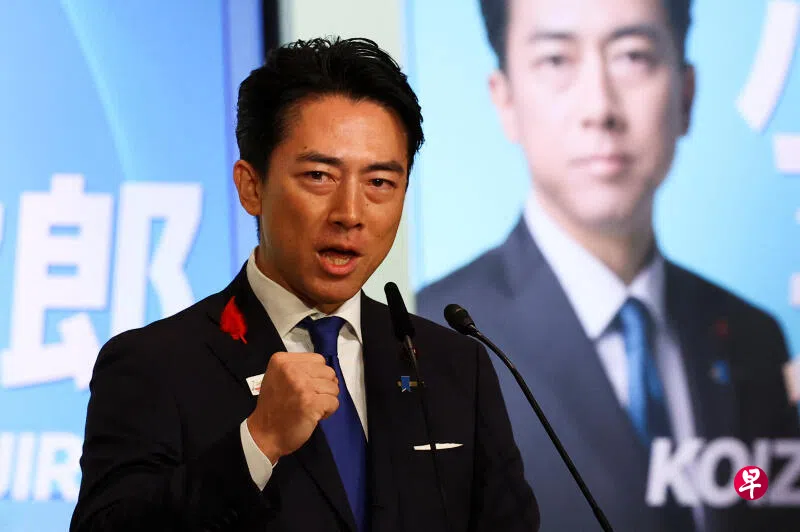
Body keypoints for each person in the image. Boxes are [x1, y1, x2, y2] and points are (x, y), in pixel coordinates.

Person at [70, 37, 539, 532]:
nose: (350, 213)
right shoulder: (154, 365)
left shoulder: (455, 367)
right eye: (319, 175)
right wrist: (259, 441)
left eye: (380, 182)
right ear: (252, 187)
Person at [417, 1, 800, 530]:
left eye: (633, 56)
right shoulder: (433, 336)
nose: (599, 108)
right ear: (504, 99)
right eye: (556, 60)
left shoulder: (753, 337)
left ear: (686, 94)